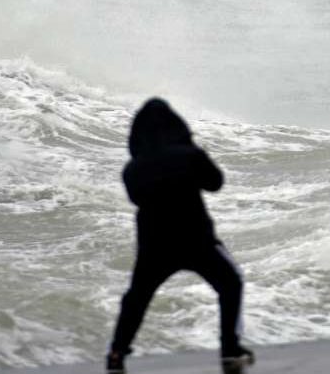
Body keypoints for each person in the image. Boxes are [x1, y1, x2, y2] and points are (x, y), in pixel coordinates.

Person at [107, 98, 253, 374]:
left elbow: (135, 197)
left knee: (136, 299)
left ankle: (116, 353)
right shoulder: (189, 155)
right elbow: (215, 183)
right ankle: (230, 350)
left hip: (154, 245)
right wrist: (196, 152)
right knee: (230, 283)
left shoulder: (132, 169)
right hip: (196, 239)